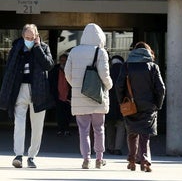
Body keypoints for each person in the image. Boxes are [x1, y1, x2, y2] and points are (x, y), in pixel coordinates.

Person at [0, 24, 55, 168]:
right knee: (19, 123)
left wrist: (37, 47)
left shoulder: (43, 47)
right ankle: (18, 155)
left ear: (37, 36)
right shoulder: (17, 48)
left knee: (37, 126)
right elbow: (9, 70)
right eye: (27, 37)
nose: (29, 40)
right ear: (23, 36)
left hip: (39, 90)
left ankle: (32, 156)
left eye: (32, 37)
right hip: (20, 89)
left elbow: (48, 65)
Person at [64, 23, 113, 169]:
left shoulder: (74, 51)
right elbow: (105, 74)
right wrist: (109, 85)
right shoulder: (101, 52)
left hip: (80, 96)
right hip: (98, 96)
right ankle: (99, 158)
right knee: (99, 129)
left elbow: (67, 73)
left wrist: (77, 86)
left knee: (83, 130)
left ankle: (86, 159)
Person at [115, 41, 166, 172]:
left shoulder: (126, 66)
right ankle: (145, 160)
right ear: (149, 52)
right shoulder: (153, 67)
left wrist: (122, 101)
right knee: (145, 134)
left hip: (130, 104)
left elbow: (119, 85)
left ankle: (132, 160)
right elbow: (161, 88)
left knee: (132, 132)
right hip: (148, 105)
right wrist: (158, 104)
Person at [49, 53, 73, 136]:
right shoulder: (55, 69)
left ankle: (66, 129)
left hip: (68, 95)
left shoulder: (71, 70)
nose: (63, 62)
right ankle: (60, 129)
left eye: (65, 60)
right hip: (58, 95)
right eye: (62, 60)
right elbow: (51, 82)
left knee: (67, 114)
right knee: (59, 113)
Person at [106, 55, 125, 155]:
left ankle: (110, 147)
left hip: (109, 103)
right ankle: (117, 148)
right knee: (121, 125)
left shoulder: (108, 72)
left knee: (109, 125)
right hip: (121, 102)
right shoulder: (124, 72)